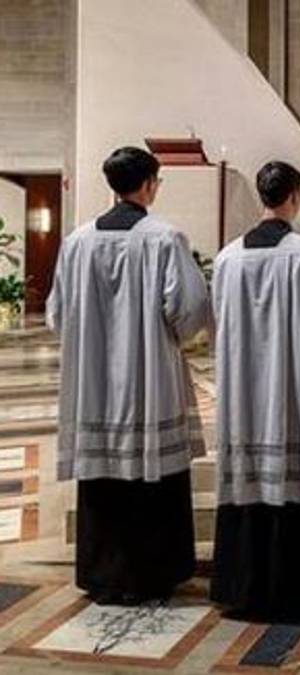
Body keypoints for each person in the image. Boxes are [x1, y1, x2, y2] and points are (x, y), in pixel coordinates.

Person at [48, 146, 209, 605]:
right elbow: (189, 309)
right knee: (152, 475)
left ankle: (103, 574)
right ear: (149, 184)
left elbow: (58, 314)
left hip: (94, 384)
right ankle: (153, 575)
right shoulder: (165, 238)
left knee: (102, 479)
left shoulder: (78, 241)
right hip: (148, 381)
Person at [209, 161, 300, 621]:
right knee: (296, 482)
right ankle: (296, 589)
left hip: (243, 395)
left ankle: (244, 588)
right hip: (295, 394)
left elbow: (217, 324)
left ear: (262, 196)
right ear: (295, 196)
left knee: (250, 481)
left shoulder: (228, 257)